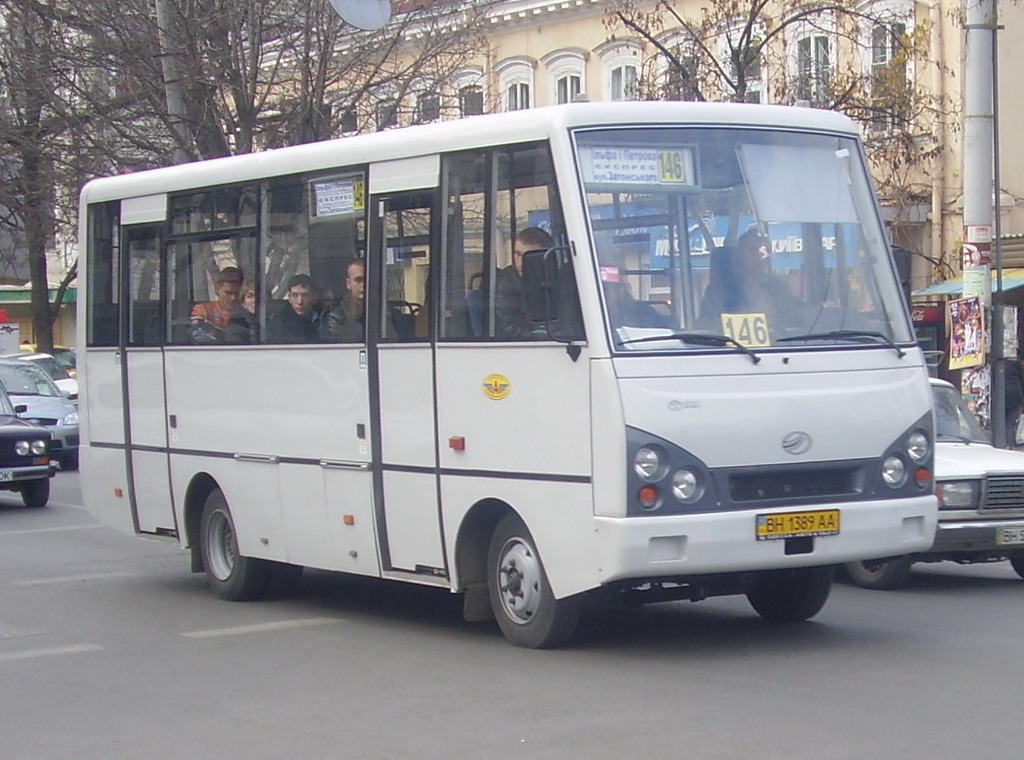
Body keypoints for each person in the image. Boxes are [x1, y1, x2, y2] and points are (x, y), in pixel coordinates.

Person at [698, 229, 797, 329]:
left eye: (764, 251)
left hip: (779, 343)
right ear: (740, 255)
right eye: (752, 250)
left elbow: (795, 314)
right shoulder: (720, 291)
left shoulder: (778, 287)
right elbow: (705, 326)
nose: (759, 256)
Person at [495, 227, 553, 339]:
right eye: (517, 254)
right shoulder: (506, 283)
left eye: (529, 256)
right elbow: (507, 329)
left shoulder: (556, 277)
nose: (521, 262)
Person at [189, 266, 247, 343]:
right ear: (217, 289)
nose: (233, 298)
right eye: (228, 293)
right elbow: (196, 332)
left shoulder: (246, 313)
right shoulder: (203, 309)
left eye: (237, 293)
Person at [267, 274, 320, 343]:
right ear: (289, 298)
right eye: (295, 295)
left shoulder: (326, 318)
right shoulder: (279, 323)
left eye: (305, 295)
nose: (300, 301)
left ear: (314, 297)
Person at [323, 258, 366, 342]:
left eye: (368, 279)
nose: (364, 285)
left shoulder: (392, 316)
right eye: (358, 280)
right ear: (348, 284)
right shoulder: (337, 318)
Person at [1004, 356, 1024, 448]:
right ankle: (1010, 444)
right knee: (1010, 423)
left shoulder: (998, 365)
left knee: (1002, 422)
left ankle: (1006, 444)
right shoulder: (1016, 364)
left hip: (1001, 395)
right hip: (1016, 396)